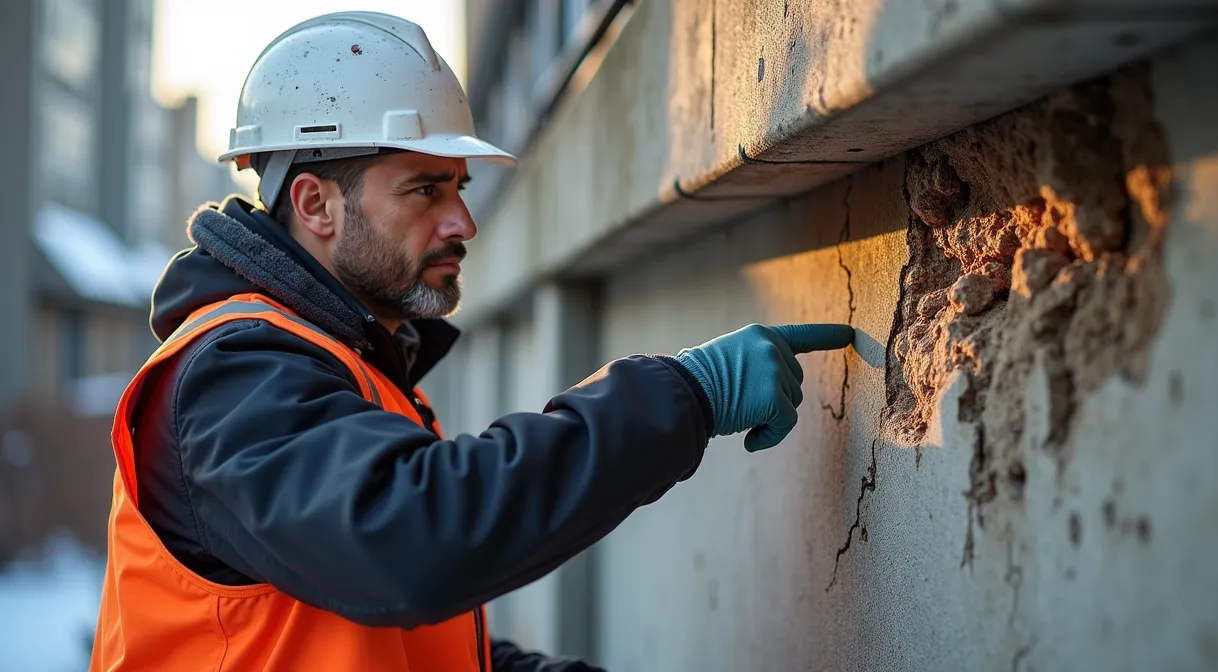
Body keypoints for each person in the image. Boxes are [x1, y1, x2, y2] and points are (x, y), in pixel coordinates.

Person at [89, 11, 853, 672]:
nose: (463, 222)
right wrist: (687, 392)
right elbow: (410, 541)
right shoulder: (233, 374)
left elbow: (385, 641)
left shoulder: (344, 364)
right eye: (425, 189)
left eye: (460, 185)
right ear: (315, 204)